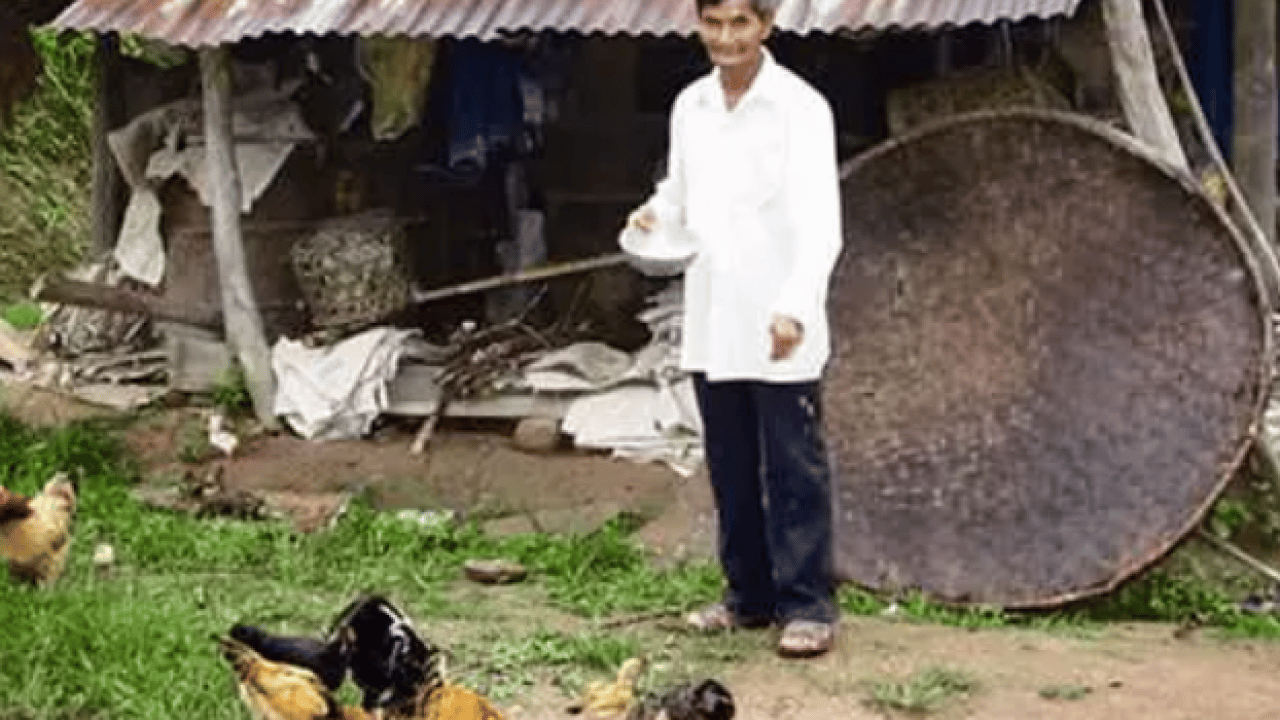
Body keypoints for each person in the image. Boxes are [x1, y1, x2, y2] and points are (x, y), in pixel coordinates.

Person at [625, 0, 844, 658]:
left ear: (767, 27)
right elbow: (680, 193)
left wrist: (795, 307)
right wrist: (652, 213)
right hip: (715, 313)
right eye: (713, 24)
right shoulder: (691, 105)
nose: (725, 39)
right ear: (699, 24)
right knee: (730, 464)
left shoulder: (800, 108)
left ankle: (808, 605)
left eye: (740, 25)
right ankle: (746, 597)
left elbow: (821, 224)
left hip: (779, 317)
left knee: (794, 466)